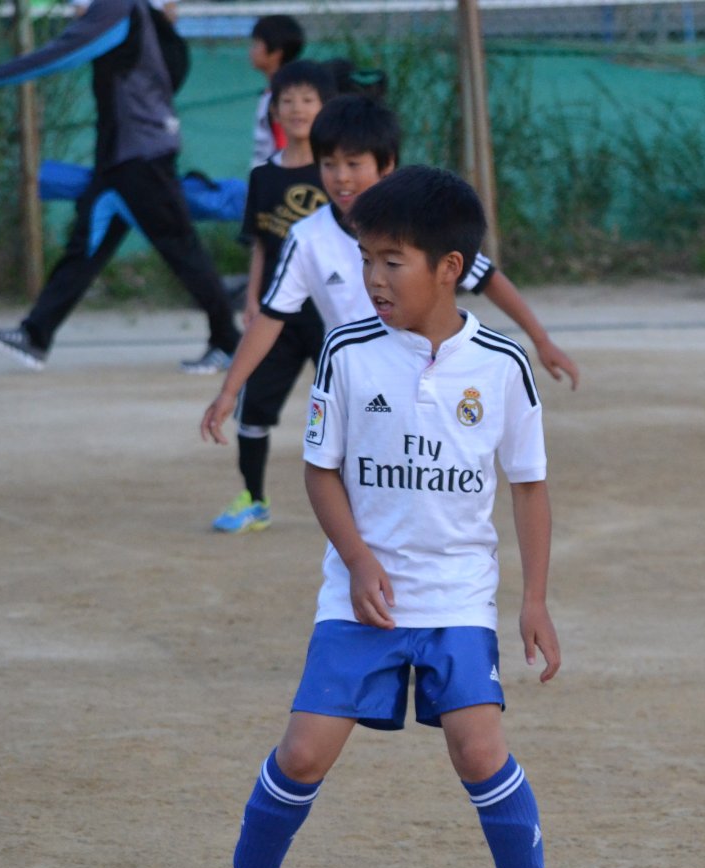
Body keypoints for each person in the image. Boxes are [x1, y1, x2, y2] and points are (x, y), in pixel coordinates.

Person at [176, 164, 570, 868]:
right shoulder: (348, 354)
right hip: (362, 597)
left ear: (449, 268)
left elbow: (527, 485)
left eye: (393, 260)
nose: (373, 277)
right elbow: (321, 471)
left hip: (457, 593)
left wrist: (532, 599)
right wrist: (355, 559)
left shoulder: (500, 365)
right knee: (302, 753)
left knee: (477, 747)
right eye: (365, 259)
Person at [200, 95, 579, 534]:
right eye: (328, 163)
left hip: (422, 376)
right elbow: (270, 317)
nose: (340, 177)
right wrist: (230, 391)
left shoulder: (421, 230)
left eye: (353, 163)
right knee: (358, 494)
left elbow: (488, 277)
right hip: (360, 382)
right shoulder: (307, 238)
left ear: (386, 166)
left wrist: (542, 339)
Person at [0, 0, 241, 374]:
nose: (75, 11)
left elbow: (63, 52)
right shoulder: (142, 17)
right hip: (120, 161)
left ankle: (229, 342)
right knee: (84, 250)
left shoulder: (117, 8)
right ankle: (35, 336)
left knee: (182, 250)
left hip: (140, 158)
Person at [208, 58, 336, 533]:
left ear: (327, 108)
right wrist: (253, 294)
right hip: (279, 315)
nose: (297, 108)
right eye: (287, 100)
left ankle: (369, 501)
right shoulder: (264, 177)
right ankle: (254, 498)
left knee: (355, 407)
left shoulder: (337, 174)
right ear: (273, 112)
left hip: (331, 314)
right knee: (253, 407)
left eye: (308, 99)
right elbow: (263, 242)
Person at [248, 14, 305, 171]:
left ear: (276, 52)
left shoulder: (282, 98)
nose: (252, 51)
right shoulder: (270, 94)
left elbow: (284, 146)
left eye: (257, 44)